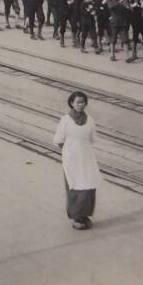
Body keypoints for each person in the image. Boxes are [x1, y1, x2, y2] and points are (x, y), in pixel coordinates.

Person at [52, 91, 102, 231]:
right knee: (75, 186)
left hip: (86, 157)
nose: (81, 105)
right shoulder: (65, 120)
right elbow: (58, 140)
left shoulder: (90, 120)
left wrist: (82, 148)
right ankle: (76, 217)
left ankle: (85, 215)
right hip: (72, 159)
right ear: (72, 103)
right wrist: (69, 151)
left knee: (89, 186)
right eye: (78, 102)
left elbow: (93, 139)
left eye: (83, 102)